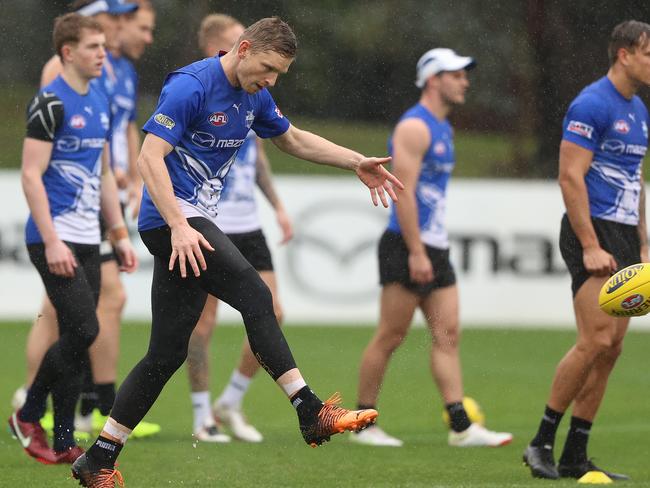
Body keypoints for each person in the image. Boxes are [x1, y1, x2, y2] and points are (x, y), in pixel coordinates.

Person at [71, 17, 401, 485]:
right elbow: (149, 157)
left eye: (279, 75)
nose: (270, 80)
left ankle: (99, 457)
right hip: (173, 221)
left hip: (188, 224)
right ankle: (310, 411)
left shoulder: (255, 95)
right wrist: (180, 225)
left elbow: (292, 139)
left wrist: (355, 161)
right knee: (256, 295)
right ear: (243, 49)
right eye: (266, 67)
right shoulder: (192, 86)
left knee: (165, 355)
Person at [12, 0, 161, 440]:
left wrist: (118, 235)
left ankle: (62, 438)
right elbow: (30, 174)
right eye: (93, 45)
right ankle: (30, 408)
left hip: (90, 233)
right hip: (53, 235)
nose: (103, 51)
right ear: (68, 51)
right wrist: (52, 239)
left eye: (103, 44)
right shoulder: (51, 98)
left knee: (78, 334)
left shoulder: (101, 95)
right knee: (83, 327)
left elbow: (99, 173)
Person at [352, 48, 513, 448]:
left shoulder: (445, 128)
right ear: (432, 79)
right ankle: (363, 425)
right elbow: (402, 194)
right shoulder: (415, 127)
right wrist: (417, 251)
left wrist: (430, 249)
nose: (465, 81)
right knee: (391, 335)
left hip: (434, 246)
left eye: (464, 75)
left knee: (448, 334)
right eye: (456, 74)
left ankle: (461, 427)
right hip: (408, 246)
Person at [523, 20, 650, 481]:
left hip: (623, 237)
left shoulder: (639, 110)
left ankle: (575, 454)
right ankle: (540, 443)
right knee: (594, 339)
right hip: (589, 232)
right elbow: (569, 176)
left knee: (611, 349)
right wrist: (592, 245)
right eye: (649, 53)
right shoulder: (592, 103)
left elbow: (635, 185)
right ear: (624, 54)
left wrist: (643, 245)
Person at [186, 13, 293, 444]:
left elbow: (262, 158)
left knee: (273, 312)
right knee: (202, 322)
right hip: (212, 222)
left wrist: (278, 205)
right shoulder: (200, 91)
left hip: (250, 225)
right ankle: (201, 415)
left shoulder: (253, 96)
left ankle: (230, 400)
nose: (243, 48)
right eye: (235, 42)